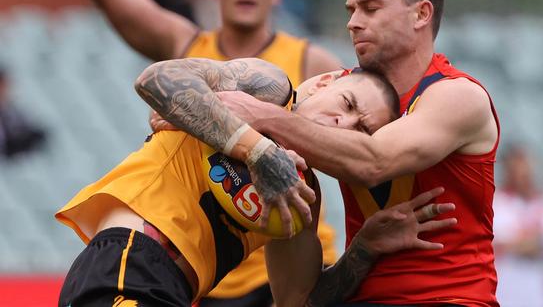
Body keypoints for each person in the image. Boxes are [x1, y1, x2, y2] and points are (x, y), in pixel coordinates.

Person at [213, 0, 501, 306]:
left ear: (421, 14)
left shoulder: (458, 96)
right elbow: (293, 298)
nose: (352, 22)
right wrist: (362, 248)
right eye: (351, 9)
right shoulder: (330, 87)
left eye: (371, 8)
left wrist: (263, 116)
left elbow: (373, 162)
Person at [55, 57, 456, 306]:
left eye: (361, 130)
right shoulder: (269, 87)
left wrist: (363, 250)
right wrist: (259, 152)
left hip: (171, 288)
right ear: (323, 83)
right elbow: (158, 80)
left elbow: (295, 300)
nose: (344, 123)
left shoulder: (304, 196)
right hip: (131, 258)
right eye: (348, 104)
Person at [77, 0, 342, 304]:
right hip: (213, 279)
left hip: (290, 274)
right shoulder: (185, 50)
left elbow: (364, 147)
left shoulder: (313, 65)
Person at [492, 145, 543, 307]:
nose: (526, 175)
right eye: (519, 169)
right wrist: (531, 242)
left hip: (539, 297)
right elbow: (497, 245)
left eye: (528, 168)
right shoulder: (496, 203)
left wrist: (518, 243)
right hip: (504, 296)